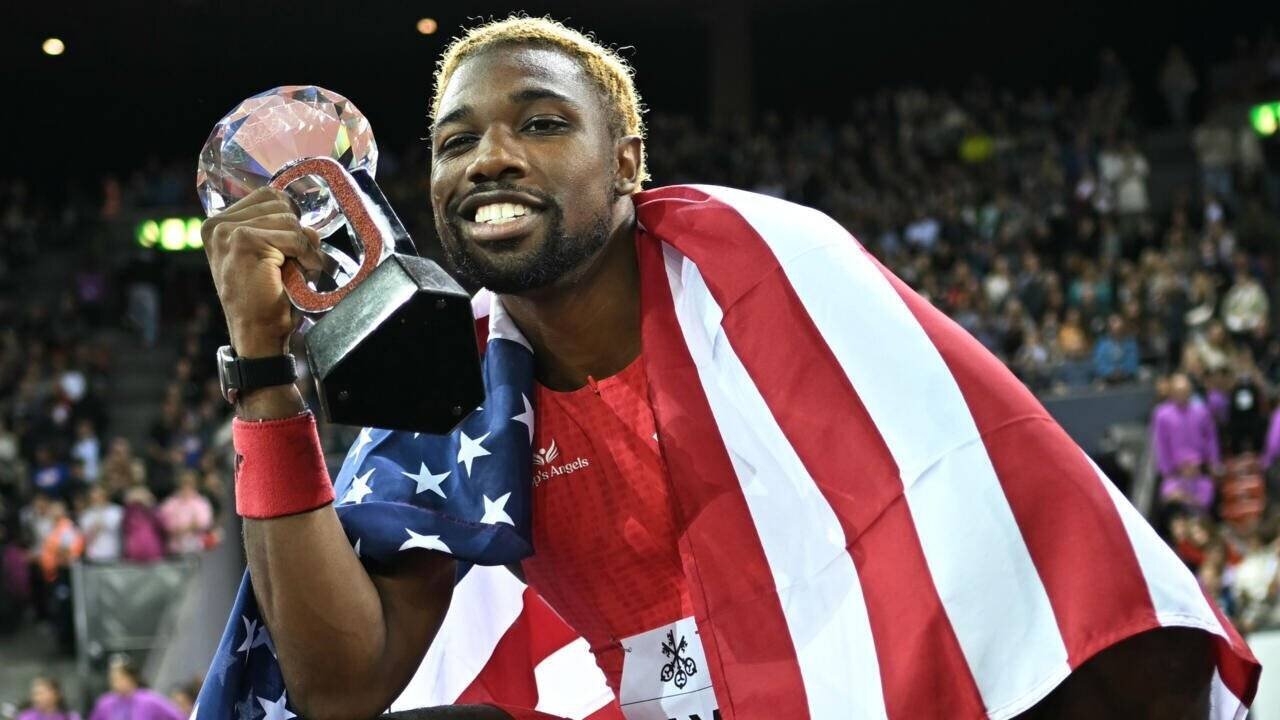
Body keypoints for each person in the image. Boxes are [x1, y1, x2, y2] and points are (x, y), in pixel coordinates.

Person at [197, 16, 1257, 720]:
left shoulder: (764, 265)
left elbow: (1011, 531)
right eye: (455, 139)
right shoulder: (457, 377)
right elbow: (339, 688)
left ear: (624, 164)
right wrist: (262, 367)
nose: (489, 158)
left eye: (540, 123)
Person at [1151, 373, 1221, 514]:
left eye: (1185, 391)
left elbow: (1211, 438)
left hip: (1199, 471)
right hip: (1175, 474)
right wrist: (1168, 471)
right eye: (1178, 391)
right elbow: (1160, 444)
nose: (1181, 395)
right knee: (1171, 500)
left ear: (1190, 391)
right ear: (1171, 392)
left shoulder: (1202, 411)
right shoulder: (1162, 415)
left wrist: (1213, 462)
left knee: (1206, 499)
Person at [89, 656, 185, 720]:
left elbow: (178, 716)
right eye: (112, 679)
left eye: (119, 678)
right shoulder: (105, 703)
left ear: (131, 677)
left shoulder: (150, 700)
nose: (115, 683)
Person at [157, 470, 212, 555]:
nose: (186, 487)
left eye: (190, 483)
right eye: (184, 483)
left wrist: (190, 526)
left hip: (195, 548)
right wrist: (176, 528)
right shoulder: (171, 502)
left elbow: (205, 522)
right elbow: (163, 520)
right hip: (174, 550)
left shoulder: (201, 502)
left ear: (195, 485)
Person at [80, 485, 124, 563]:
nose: (97, 500)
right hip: (94, 557)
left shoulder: (116, 511)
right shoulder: (86, 515)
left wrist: (101, 516)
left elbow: (116, 528)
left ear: (105, 496)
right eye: (93, 498)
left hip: (113, 556)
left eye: (99, 496)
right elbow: (85, 536)